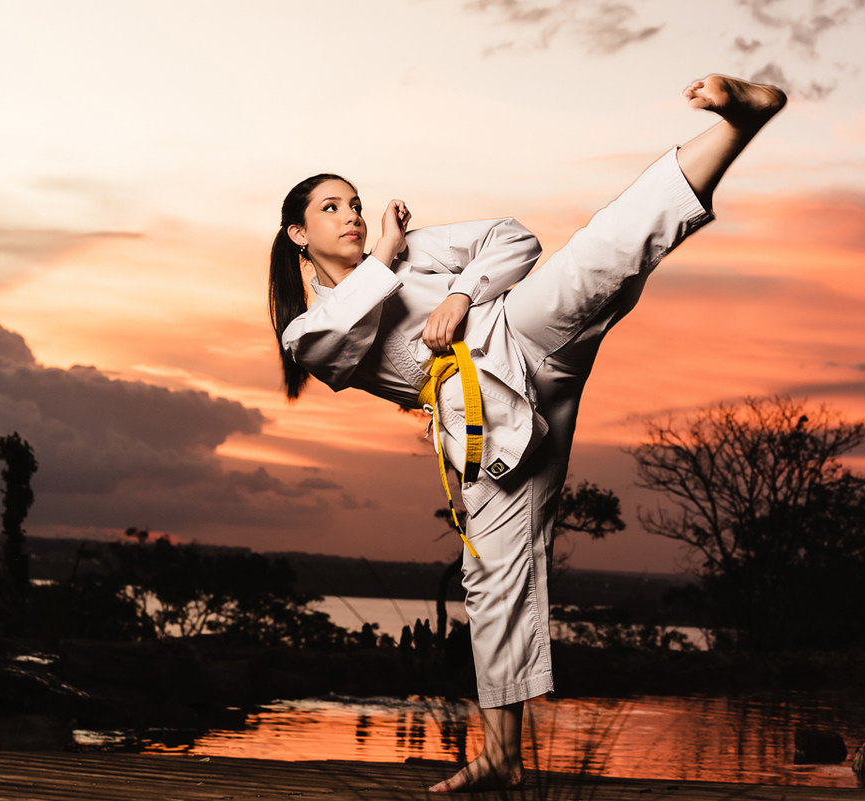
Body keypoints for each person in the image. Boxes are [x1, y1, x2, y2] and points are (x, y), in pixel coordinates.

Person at [267, 75, 786, 792]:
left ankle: (738, 124)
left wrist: (460, 292)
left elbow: (514, 238)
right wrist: (384, 253)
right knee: (492, 579)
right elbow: (340, 335)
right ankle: (502, 755)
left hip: (517, 331)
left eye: (355, 203)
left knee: (602, 249)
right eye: (331, 208)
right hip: (490, 430)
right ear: (299, 234)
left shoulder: (417, 250)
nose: (351, 215)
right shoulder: (307, 330)